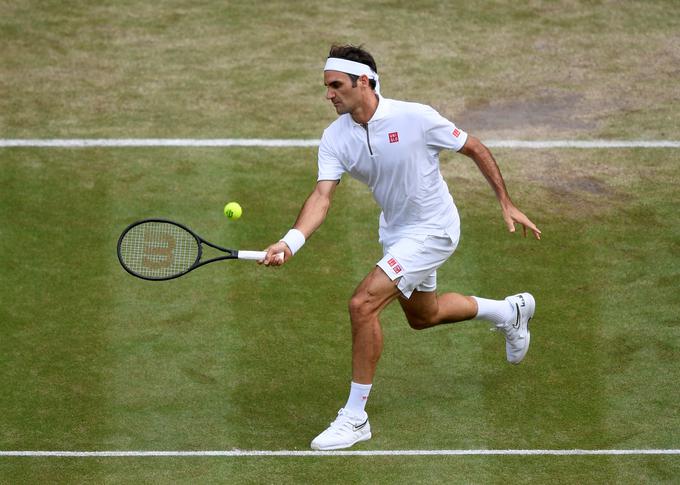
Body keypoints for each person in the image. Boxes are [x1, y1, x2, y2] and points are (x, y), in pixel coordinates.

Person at [262, 44, 541, 451]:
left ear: (363, 82)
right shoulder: (335, 138)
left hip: (434, 229)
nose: (329, 95)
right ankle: (509, 312)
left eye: (336, 85)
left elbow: (474, 147)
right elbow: (322, 197)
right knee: (423, 316)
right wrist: (290, 242)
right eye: (326, 86)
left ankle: (355, 418)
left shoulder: (416, 117)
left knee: (363, 304)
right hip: (396, 232)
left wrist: (506, 200)